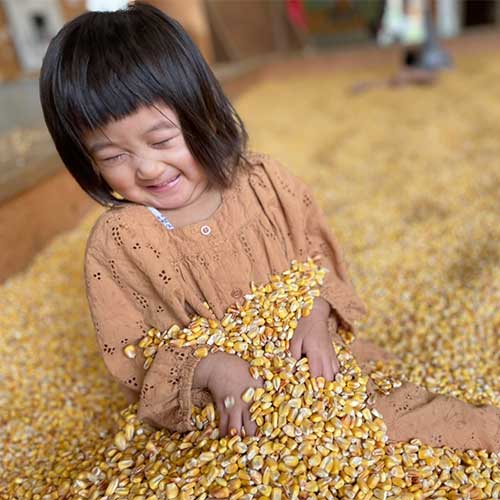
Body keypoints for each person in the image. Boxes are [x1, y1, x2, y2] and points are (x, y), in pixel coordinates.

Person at [39, 2, 499, 451]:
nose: (148, 169)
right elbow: (134, 356)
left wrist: (317, 315)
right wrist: (210, 369)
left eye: (161, 140)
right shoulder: (120, 244)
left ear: (202, 112)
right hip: (222, 415)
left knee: (418, 426)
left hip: (326, 370)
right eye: (113, 157)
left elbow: (319, 263)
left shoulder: (265, 185)